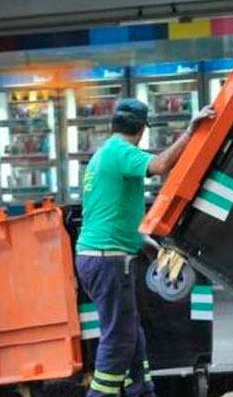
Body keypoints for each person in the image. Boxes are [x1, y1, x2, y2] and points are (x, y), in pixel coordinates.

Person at [76, 99, 214, 397]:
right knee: (118, 337)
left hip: (96, 257)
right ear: (140, 130)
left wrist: (147, 245)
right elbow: (160, 165)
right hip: (108, 261)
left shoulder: (103, 155)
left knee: (130, 332)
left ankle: (142, 391)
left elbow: (112, 214)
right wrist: (190, 132)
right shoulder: (122, 152)